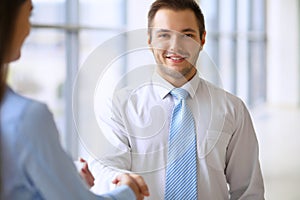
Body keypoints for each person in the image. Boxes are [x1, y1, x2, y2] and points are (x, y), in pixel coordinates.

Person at [89, 0, 265, 199]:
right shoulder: (120, 107)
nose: (175, 46)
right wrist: (119, 179)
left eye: (187, 35)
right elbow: (105, 169)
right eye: (164, 35)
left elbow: (248, 192)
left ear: (202, 39)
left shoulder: (232, 110)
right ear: (149, 40)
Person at [0, 0, 150, 199]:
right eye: (29, 15)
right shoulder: (26, 118)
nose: (29, 29)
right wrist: (129, 192)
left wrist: (67, 179)